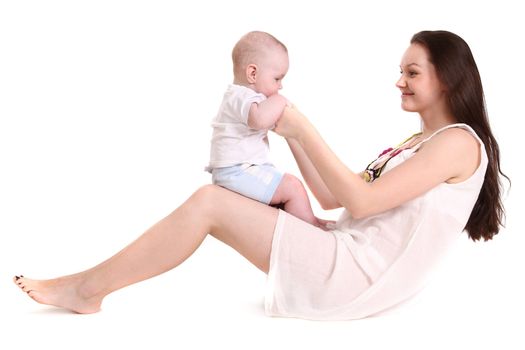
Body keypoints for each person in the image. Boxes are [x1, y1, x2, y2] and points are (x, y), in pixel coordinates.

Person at [13, 30, 508, 320]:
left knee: (211, 202)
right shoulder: (418, 142)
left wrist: (303, 127)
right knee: (214, 198)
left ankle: (86, 291)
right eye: (402, 70)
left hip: (356, 277)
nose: (399, 80)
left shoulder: (458, 142)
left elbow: (361, 202)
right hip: (344, 251)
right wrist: (289, 130)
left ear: (448, 76)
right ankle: (86, 286)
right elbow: (330, 197)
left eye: (413, 72)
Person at [206, 31, 320, 227]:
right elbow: (259, 120)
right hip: (235, 172)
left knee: (284, 191)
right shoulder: (240, 96)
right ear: (253, 73)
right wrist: (281, 101)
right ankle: (311, 226)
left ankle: (307, 222)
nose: (280, 86)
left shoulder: (246, 97)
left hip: (243, 169)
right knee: (292, 187)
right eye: (277, 79)